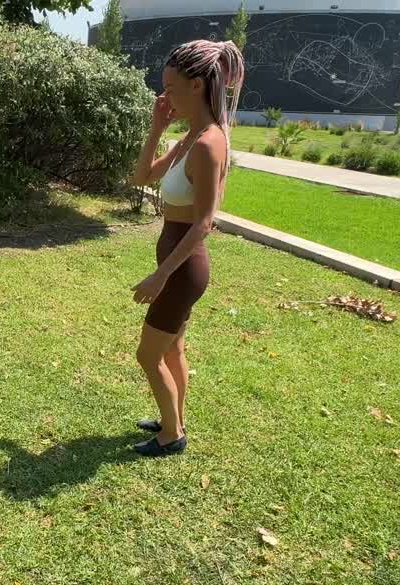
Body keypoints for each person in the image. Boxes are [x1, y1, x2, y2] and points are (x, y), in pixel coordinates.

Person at [127, 40, 244, 457]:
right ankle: (173, 416)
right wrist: (157, 128)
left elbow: (205, 222)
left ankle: (171, 435)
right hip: (174, 259)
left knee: (148, 353)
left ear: (197, 86)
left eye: (171, 89)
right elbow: (141, 178)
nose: (165, 97)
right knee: (172, 347)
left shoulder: (210, 143)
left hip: (183, 266)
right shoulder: (190, 136)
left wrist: (161, 275)